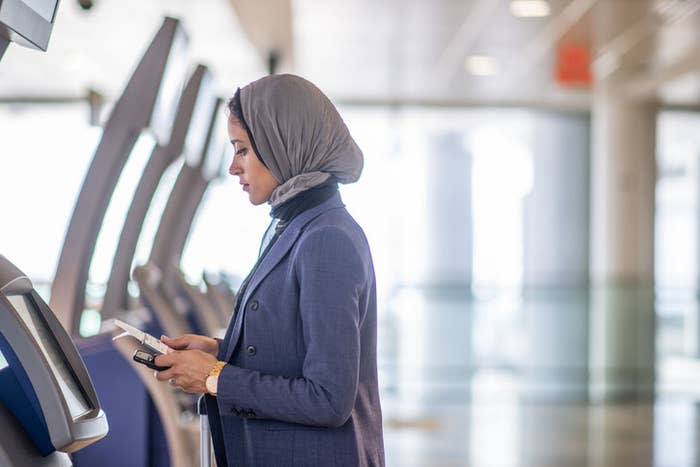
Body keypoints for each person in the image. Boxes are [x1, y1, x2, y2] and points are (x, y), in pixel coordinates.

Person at [154, 73, 385, 467]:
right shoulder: (292, 226)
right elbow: (295, 351)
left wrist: (215, 377)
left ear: (282, 144)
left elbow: (329, 399)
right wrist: (221, 352)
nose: (233, 167)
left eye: (242, 150)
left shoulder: (326, 239)